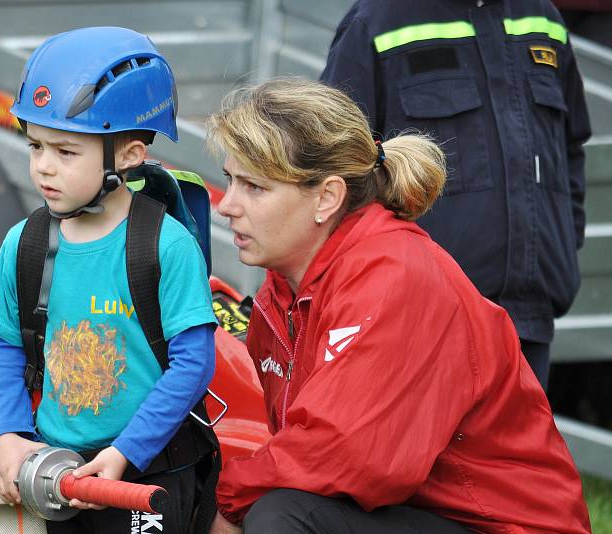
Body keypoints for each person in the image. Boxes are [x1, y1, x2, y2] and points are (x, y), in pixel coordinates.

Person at [206, 78, 590, 534]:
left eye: (254, 187)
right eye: (231, 180)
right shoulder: (285, 286)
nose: (227, 205)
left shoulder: (394, 275)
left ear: (327, 197)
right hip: (413, 514)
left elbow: (343, 455)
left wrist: (222, 504)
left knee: (284, 517)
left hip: (499, 525)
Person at [0, 27, 217, 533]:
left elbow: (193, 365)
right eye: (35, 146)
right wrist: (6, 434)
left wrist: (126, 451)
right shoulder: (25, 243)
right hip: (55, 469)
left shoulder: (166, 246)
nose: (44, 167)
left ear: (128, 154)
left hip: (146, 473)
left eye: (65, 152)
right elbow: (4, 346)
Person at [319, 0, 592, 388]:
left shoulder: (544, 19)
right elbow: (335, 165)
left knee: (522, 451)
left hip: (528, 320)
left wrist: (563, 242)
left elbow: (570, 148)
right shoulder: (376, 21)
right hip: (421, 323)